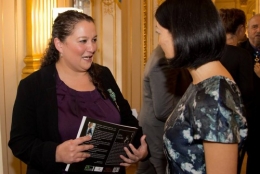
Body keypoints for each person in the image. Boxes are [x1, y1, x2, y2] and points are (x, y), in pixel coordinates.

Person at [8, 10, 148, 174]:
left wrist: (140, 148)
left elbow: (126, 119)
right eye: (83, 41)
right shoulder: (33, 86)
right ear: (59, 44)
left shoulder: (104, 75)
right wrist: (56, 153)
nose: (92, 47)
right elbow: (20, 142)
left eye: (94, 40)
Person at [155, 0, 248, 174]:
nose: (159, 41)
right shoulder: (202, 82)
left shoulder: (215, 96)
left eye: (159, 32)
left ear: (182, 33)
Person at [136, 45, 191, 174]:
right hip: (158, 132)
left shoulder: (170, 54)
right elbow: (163, 111)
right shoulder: (164, 60)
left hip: (154, 131)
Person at [238, 13, 260, 174]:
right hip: (242, 117)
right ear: (247, 30)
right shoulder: (238, 52)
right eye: (254, 27)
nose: (258, 31)